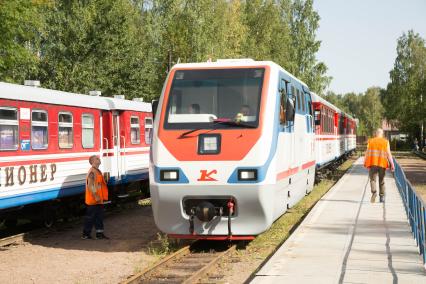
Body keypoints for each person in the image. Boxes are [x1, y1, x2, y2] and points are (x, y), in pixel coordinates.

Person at [364, 128, 395, 203]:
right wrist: (392, 164)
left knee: (372, 180)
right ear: (382, 134)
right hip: (382, 164)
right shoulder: (386, 142)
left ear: (376, 133)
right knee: (381, 181)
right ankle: (382, 198)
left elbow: (367, 153)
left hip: (372, 163)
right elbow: (388, 154)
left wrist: (365, 162)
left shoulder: (370, 141)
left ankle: (374, 193)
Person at [82, 155, 109, 239]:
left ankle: (99, 234)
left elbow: (98, 185)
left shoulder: (97, 171)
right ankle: (86, 234)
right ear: (93, 161)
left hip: (98, 199)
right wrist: (96, 196)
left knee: (98, 217)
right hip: (93, 199)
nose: (99, 159)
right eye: (97, 158)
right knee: (90, 218)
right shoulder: (92, 172)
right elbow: (90, 185)